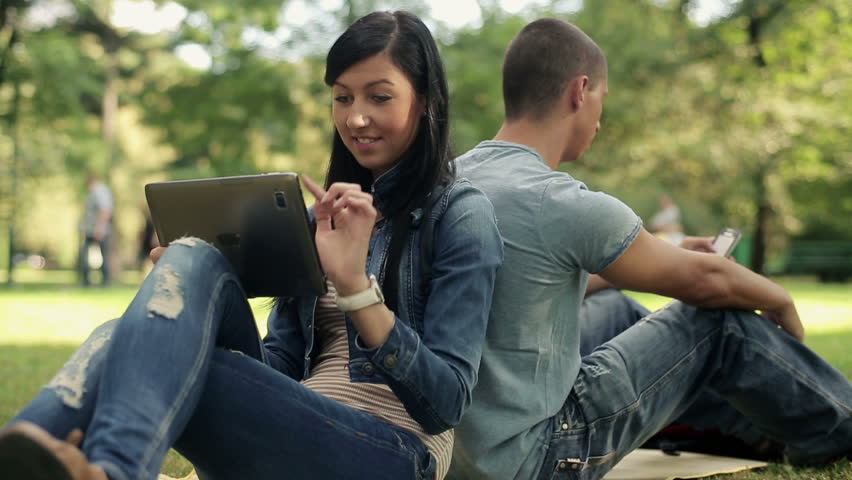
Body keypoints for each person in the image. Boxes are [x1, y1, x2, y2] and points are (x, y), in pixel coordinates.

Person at [0, 11, 502, 480]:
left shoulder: (459, 214)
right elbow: (280, 364)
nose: (355, 118)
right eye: (343, 97)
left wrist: (354, 286)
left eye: (380, 96)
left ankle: (114, 468)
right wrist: (182, 311)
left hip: (394, 449)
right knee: (175, 278)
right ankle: (44, 454)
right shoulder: (316, 219)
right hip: (291, 422)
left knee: (138, 345)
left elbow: (446, 403)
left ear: (427, 101)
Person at [448, 18, 852, 480]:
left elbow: (528, 272)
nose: (599, 119)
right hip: (541, 453)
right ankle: (840, 421)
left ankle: (749, 425)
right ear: (580, 92)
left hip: (462, 449)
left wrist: (673, 247)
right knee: (712, 322)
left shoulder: (452, 177)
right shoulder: (558, 200)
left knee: (615, 308)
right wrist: (778, 298)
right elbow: (709, 282)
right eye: (602, 98)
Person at [78, 172, 114, 287]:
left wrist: (100, 228)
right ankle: (92, 282)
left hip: (97, 230)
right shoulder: (98, 191)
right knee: (95, 255)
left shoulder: (99, 191)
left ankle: (102, 282)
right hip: (92, 229)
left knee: (95, 255)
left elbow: (105, 210)